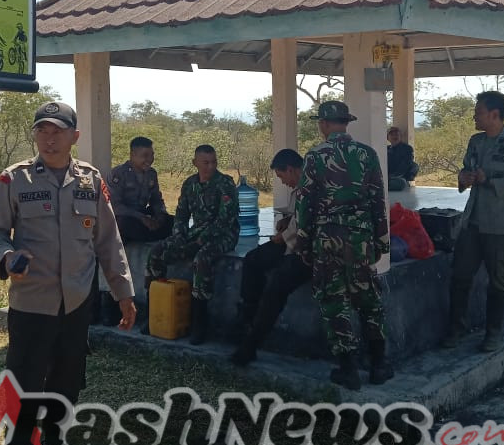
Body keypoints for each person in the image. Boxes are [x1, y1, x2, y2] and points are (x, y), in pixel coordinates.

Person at [0, 101, 137, 445]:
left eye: (57, 131)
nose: (48, 138)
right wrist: (7, 254)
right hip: (31, 307)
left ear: (74, 136)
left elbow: (109, 242)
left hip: (76, 307)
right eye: (42, 131)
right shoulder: (15, 179)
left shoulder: (91, 181)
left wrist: (123, 292)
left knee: (66, 389)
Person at [295, 101, 392, 390]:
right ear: (345, 123)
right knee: (369, 301)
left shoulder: (315, 156)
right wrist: (381, 241)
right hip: (361, 240)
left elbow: (305, 204)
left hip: (328, 240)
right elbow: (378, 201)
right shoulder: (367, 154)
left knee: (334, 301)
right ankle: (378, 365)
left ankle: (348, 369)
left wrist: (303, 242)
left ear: (324, 124)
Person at [441, 91, 504, 352]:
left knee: (499, 281)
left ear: (495, 114)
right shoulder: (476, 142)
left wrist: (489, 181)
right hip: (472, 222)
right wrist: (463, 178)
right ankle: (455, 329)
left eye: (479, 111)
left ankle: (493, 333)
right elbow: (465, 170)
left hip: (500, 225)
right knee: (460, 277)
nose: (474, 116)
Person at [146, 144, 239, 344]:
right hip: (196, 232)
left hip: (224, 235)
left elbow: (225, 220)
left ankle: (200, 324)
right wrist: (179, 235)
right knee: (157, 252)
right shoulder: (190, 184)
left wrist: (199, 241)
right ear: (195, 163)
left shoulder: (225, 184)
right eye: (206, 162)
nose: (211, 166)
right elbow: (181, 214)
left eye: (214, 162)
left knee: (202, 259)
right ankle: (154, 312)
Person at [231, 149, 311, 366]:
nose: (283, 182)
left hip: (307, 251)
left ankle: (251, 344)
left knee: (275, 289)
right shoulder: (299, 188)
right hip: (289, 244)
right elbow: (297, 217)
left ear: (291, 169)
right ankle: (247, 315)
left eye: (281, 176)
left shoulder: (311, 187)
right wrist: (286, 223)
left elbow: (306, 226)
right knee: (253, 259)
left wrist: (283, 236)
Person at [108, 136, 174, 242]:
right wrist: (141, 217)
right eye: (145, 156)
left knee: (172, 222)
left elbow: (156, 199)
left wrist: (160, 215)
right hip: (126, 217)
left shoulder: (151, 173)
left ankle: (150, 235)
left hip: (143, 215)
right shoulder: (119, 174)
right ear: (132, 155)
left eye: (152, 155)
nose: (150, 160)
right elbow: (114, 206)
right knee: (125, 225)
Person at [386, 126, 419, 191]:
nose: (394, 137)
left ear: (400, 137)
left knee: (414, 166)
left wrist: (395, 175)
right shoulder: (385, 149)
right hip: (388, 177)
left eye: (396, 134)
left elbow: (406, 164)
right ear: (387, 138)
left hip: (399, 177)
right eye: (392, 135)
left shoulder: (407, 148)